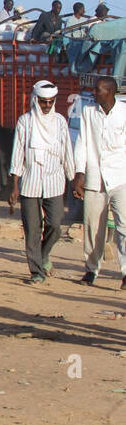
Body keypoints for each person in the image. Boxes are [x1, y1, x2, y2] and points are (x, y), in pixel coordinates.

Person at [9, 81, 75, 284]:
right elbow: (18, 154)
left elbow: (67, 152)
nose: (46, 106)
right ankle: (36, 272)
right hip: (30, 183)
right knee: (32, 230)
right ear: (36, 100)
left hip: (54, 182)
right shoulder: (25, 122)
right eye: (43, 102)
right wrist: (14, 187)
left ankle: (44, 256)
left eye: (50, 102)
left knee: (55, 225)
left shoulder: (60, 122)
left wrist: (74, 179)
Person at [72, 75, 126, 287]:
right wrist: (79, 173)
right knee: (93, 226)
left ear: (110, 92)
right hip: (95, 177)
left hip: (120, 176)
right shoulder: (88, 113)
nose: (94, 93)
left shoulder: (123, 112)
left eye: (98, 90)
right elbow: (82, 143)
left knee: (124, 227)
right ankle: (91, 270)